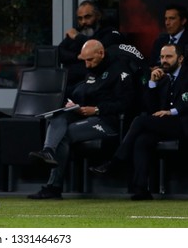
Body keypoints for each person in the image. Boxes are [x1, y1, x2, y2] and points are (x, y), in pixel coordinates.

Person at [27, 40, 134, 199]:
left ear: (101, 53)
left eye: (90, 60)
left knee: (65, 134)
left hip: (106, 121)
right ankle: (48, 151)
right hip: (84, 114)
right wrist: (74, 104)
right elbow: (84, 91)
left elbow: (126, 103)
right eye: (84, 60)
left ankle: (54, 187)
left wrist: (97, 109)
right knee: (58, 116)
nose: (87, 65)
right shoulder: (91, 69)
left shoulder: (120, 71)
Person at [89, 44, 188, 200]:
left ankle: (116, 161)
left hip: (183, 123)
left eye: (169, 57)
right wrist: (152, 83)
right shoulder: (162, 78)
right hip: (165, 124)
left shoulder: (187, 75)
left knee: (140, 121)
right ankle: (141, 189)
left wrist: (172, 111)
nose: (164, 61)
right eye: (162, 57)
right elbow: (150, 108)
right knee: (142, 140)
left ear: (181, 59)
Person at [58, 0, 124, 97]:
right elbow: (60, 52)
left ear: (98, 16)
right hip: (69, 83)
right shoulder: (78, 32)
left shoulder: (109, 32)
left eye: (87, 17)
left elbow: (100, 46)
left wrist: (78, 37)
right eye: (80, 19)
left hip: (95, 83)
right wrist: (77, 56)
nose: (83, 22)